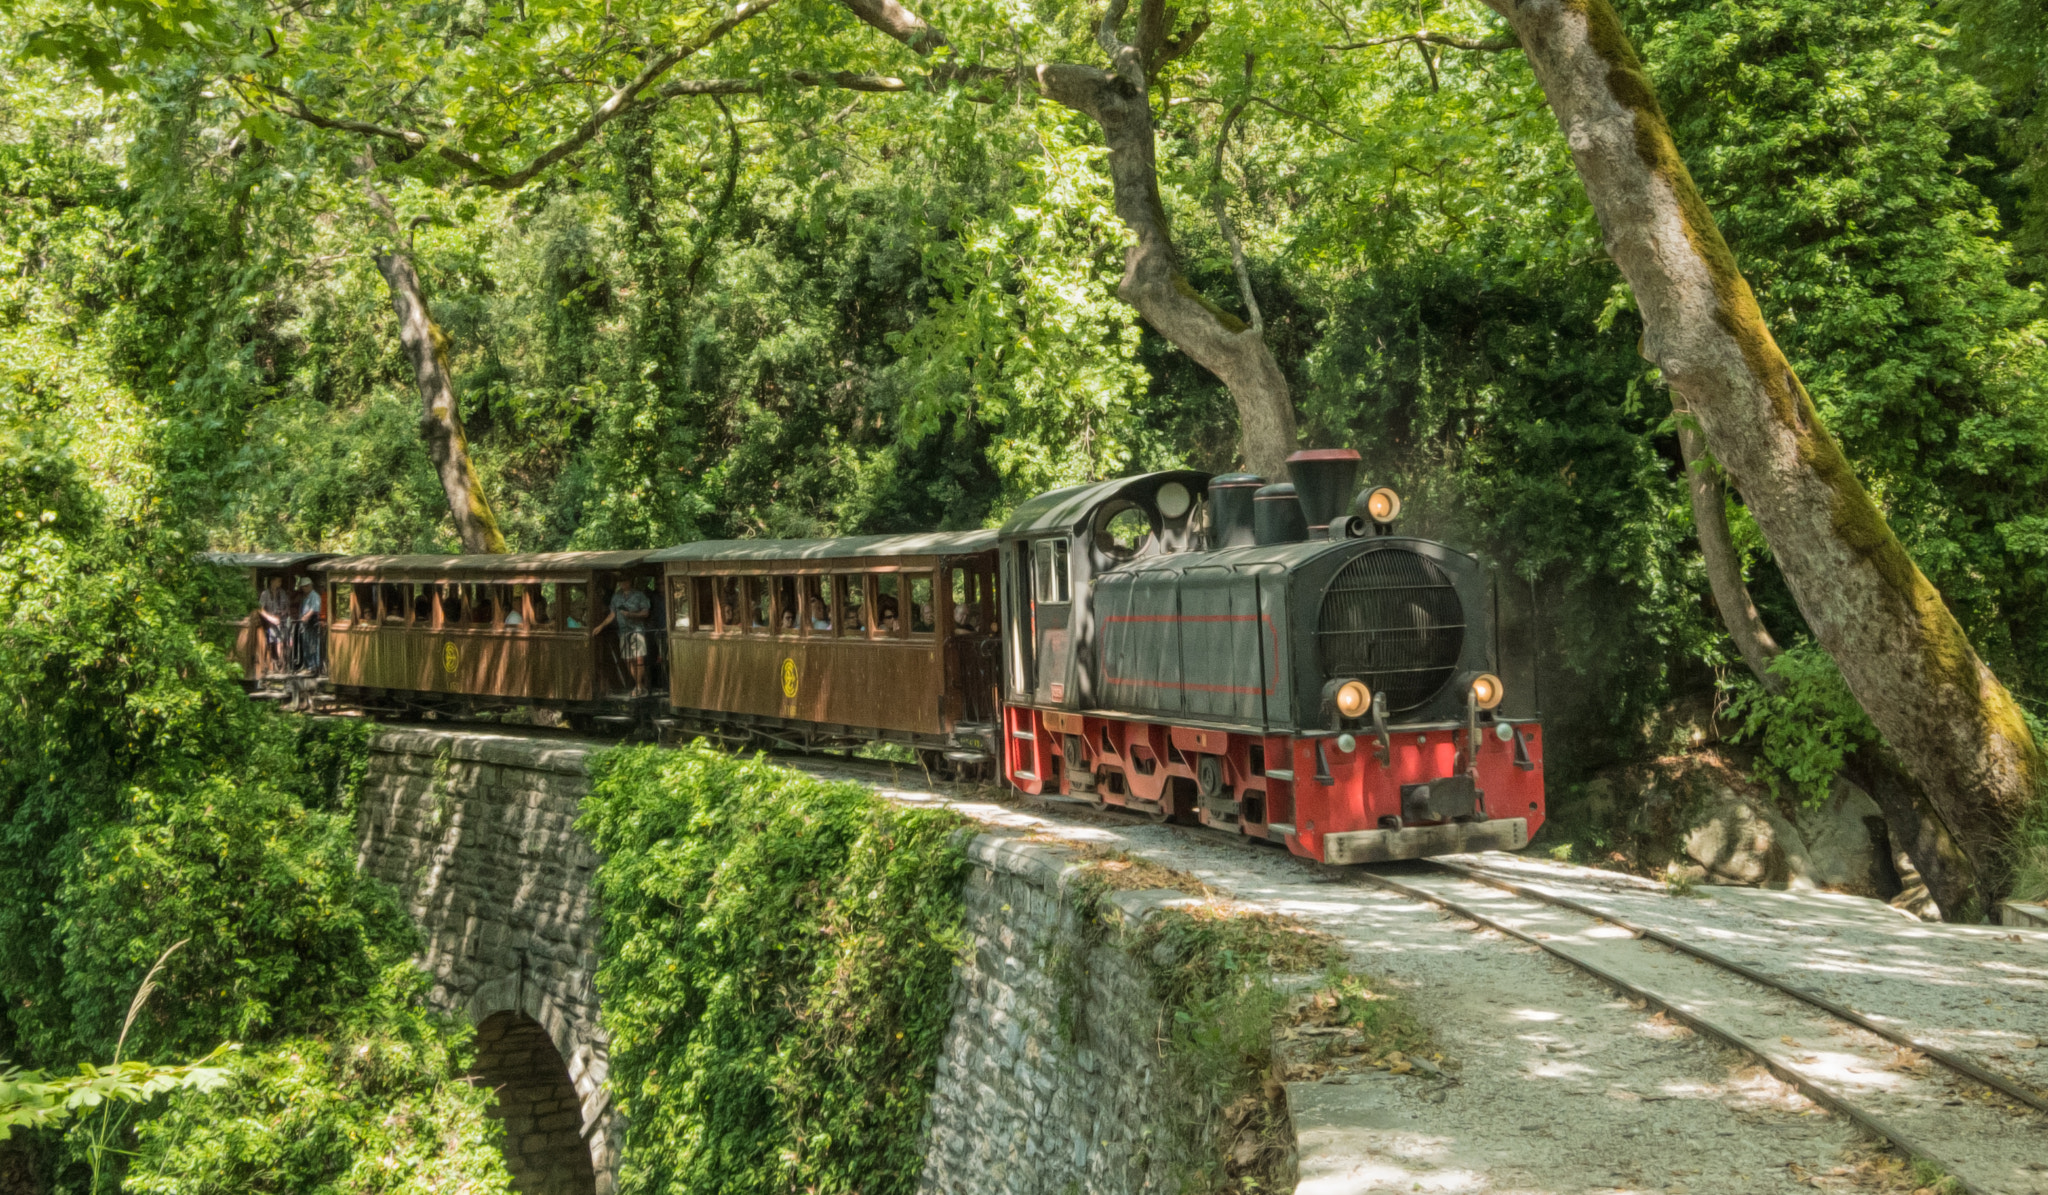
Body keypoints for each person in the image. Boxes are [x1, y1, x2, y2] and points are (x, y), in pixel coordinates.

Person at [592, 579, 653, 697]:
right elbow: (612, 614)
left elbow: (646, 613)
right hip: (623, 632)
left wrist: (631, 615)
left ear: (630, 582)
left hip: (637, 631)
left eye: (625, 581)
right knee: (628, 660)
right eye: (620, 582)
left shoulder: (639, 595)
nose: (622, 584)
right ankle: (639, 685)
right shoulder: (616, 597)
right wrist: (601, 626)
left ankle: (639, 686)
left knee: (639, 659)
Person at [258, 575, 293, 677]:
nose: (280, 584)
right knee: (276, 641)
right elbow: (260, 609)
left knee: (283, 642)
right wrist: (270, 618)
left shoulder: (282, 593)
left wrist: (284, 612)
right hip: (270, 623)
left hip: (282, 621)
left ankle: (282, 664)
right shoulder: (265, 594)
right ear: (272, 581)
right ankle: (276, 664)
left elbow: (287, 607)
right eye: (278, 581)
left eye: (281, 582)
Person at [296, 578, 324, 672]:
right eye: (303, 586)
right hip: (305, 625)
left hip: (312, 624)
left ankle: (313, 666)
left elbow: (314, 609)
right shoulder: (305, 597)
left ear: (311, 585)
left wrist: (305, 617)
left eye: (306, 586)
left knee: (312, 645)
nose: (304, 588)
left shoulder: (315, 596)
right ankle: (308, 666)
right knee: (306, 645)